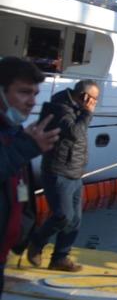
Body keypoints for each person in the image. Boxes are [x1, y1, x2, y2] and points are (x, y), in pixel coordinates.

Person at [0, 58, 60, 299]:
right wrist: (26, 148)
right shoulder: (19, 142)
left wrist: (23, 228)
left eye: (35, 93)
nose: (32, 101)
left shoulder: (14, 135)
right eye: (24, 92)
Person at [27, 79, 99, 272]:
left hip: (75, 172)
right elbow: (75, 132)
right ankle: (36, 242)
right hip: (58, 171)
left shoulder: (75, 108)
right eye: (93, 100)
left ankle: (60, 258)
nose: (95, 104)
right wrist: (87, 113)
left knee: (75, 220)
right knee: (63, 216)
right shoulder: (60, 108)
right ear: (85, 97)